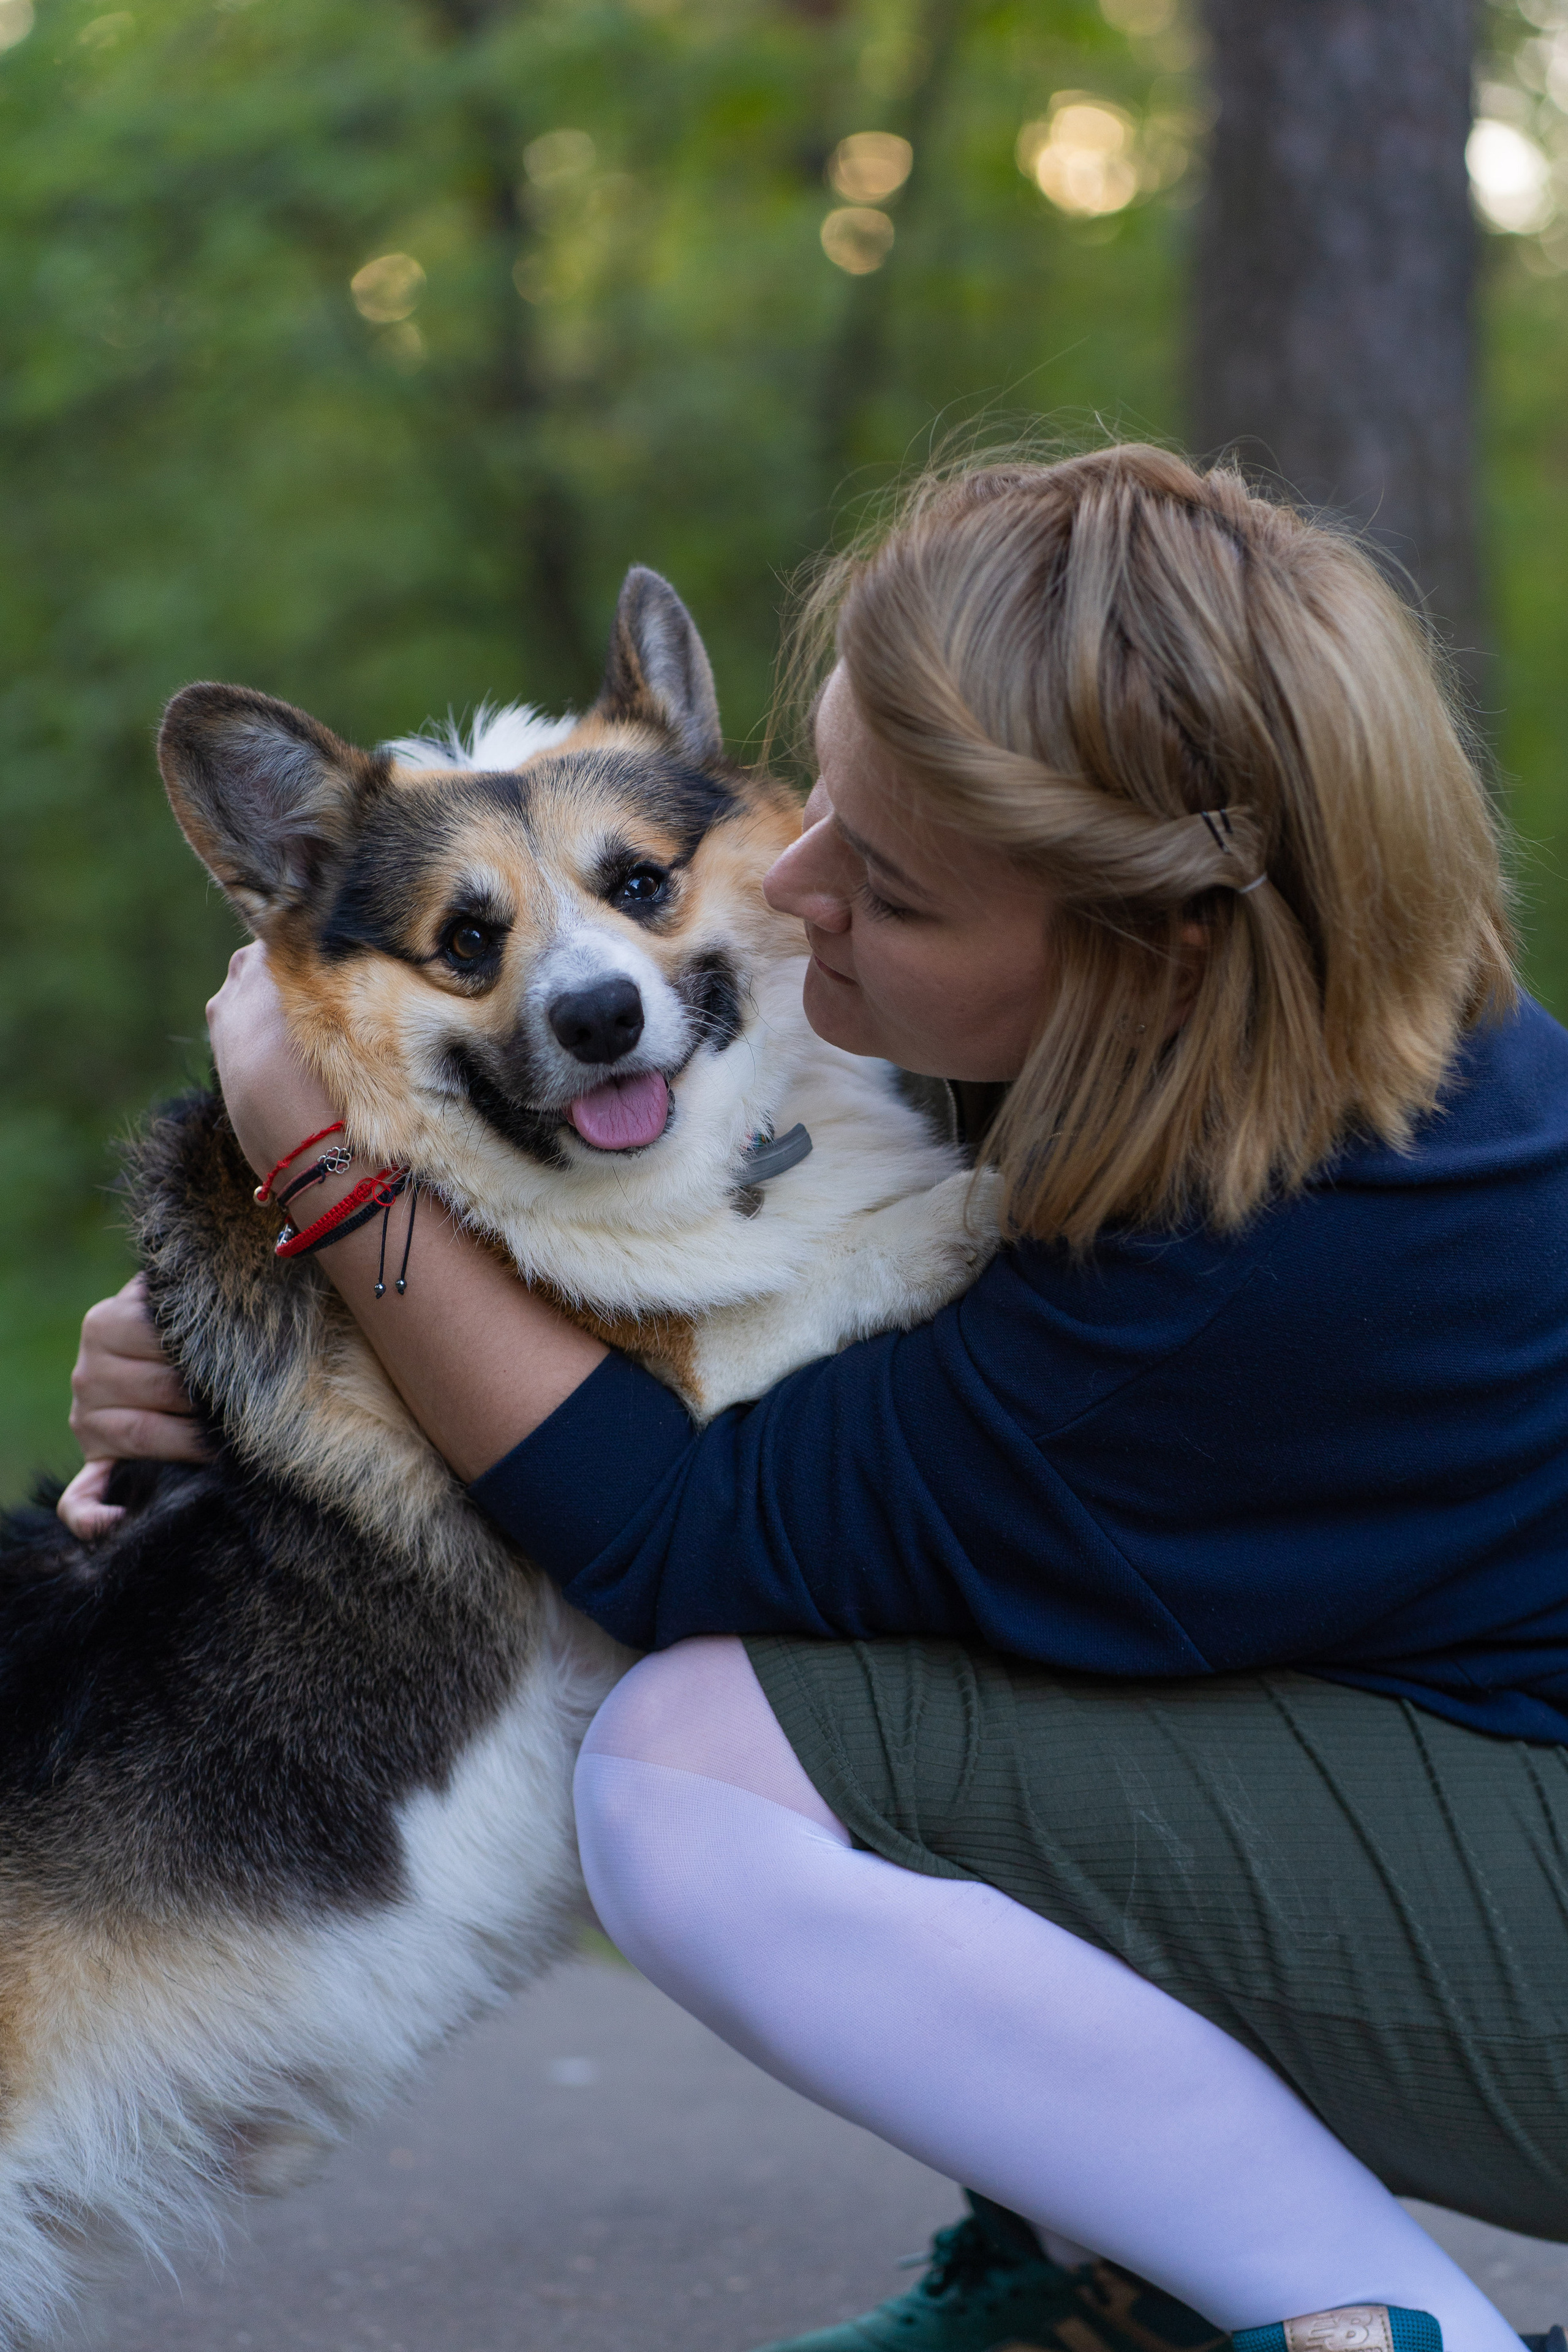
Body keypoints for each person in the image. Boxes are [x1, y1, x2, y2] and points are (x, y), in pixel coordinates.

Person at [61, 445, 1568, 2352]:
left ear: (1152, 933)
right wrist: (273, 1346)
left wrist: (322, 1181)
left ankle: (1373, 2323)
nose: (789, 881)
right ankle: (1113, 2273)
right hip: (1478, 1769)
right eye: (826, 801)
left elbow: (689, 1534)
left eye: (898, 884)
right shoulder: (1244, 1027)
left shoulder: (1270, 1268)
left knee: (706, 1763)